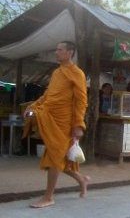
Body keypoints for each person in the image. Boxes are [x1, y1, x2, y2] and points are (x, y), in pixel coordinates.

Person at [24, 41, 89, 208]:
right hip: (52, 119)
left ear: (70, 53)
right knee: (60, 158)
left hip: (65, 123)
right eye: (56, 49)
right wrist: (34, 106)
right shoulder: (57, 72)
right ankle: (82, 180)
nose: (56, 52)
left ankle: (48, 197)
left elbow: (81, 101)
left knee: (55, 158)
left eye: (60, 50)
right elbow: (48, 95)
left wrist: (78, 125)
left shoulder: (77, 73)